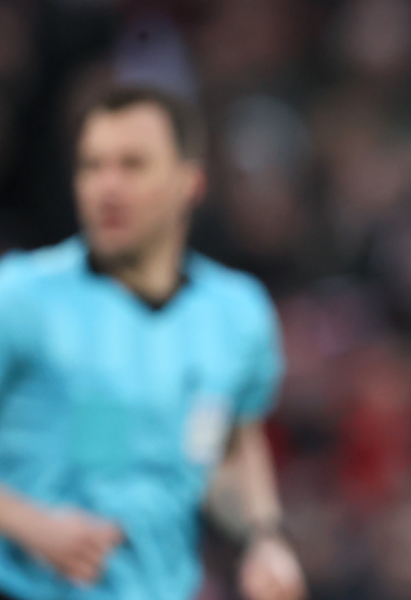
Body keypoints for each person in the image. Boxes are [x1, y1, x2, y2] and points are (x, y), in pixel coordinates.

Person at [0, 87, 305, 600]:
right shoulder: (20, 296)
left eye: (132, 165)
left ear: (190, 183)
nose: (107, 186)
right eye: (92, 166)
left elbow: (230, 442)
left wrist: (263, 537)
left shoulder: (236, 313)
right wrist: (31, 527)